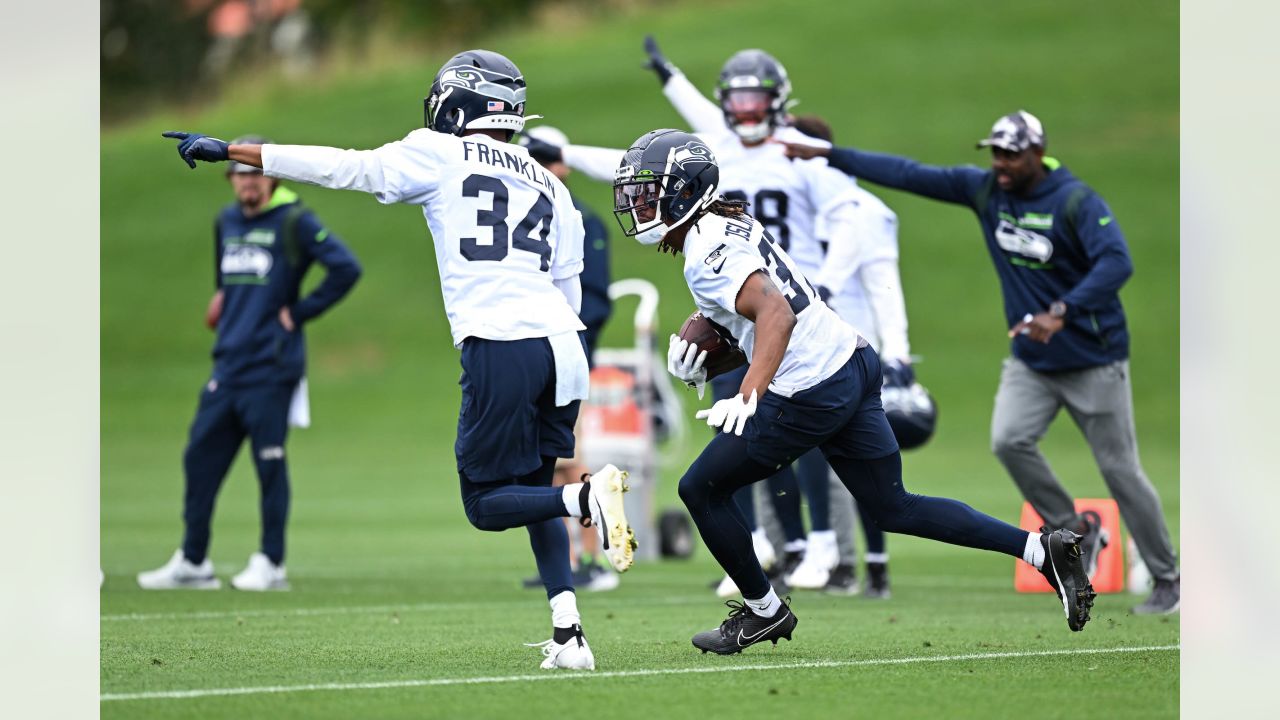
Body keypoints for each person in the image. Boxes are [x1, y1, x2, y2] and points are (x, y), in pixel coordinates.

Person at [161, 49, 638, 670]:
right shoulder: (550, 182)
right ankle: (570, 633)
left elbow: (344, 168)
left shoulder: (441, 152)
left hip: (501, 340)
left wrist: (237, 151)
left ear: (460, 101)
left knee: (487, 504)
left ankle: (585, 501)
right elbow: (569, 285)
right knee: (532, 490)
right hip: (563, 347)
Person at [612, 128, 1095, 654]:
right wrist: (715, 359)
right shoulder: (728, 221)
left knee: (700, 489)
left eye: (647, 189)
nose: (638, 203)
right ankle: (1040, 550)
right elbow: (762, 316)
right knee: (894, 507)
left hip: (810, 388)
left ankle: (764, 611)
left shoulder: (706, 248)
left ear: (684, 189)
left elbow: (774, 314)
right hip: (851, 361)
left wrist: (748, 392)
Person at [780, 110, 1180, 615]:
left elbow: (1116, 261)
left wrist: (1063, 311)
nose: (1001, 163)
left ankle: (1168, 576)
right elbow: (908, 173)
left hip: (1093, 359)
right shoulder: (989, 191)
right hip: (1032, 362)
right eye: (995, 153)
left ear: (1038, 153)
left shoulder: (1075, 201)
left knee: (1118, 469)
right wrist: (828, 154)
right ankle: (1075, 532)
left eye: (1011, 154)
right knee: (1008, 440)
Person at [641, 38, 904, 597]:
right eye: (735, 101)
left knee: (738, 455)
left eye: (755, 99)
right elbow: (688, 138)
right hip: (787, 322)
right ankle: (775, 547)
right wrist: (668, 77)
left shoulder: (795, 155)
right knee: (887, 499)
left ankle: (809, 557)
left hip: (804, 325)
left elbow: (845, 219)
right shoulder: (721, 183)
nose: (745, 111)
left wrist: (749, 390)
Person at [137, 135, 363, 592]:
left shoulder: (295, 220)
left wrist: (297, 314)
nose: (247, 183)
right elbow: (227, 283)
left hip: (272, 366)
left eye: (254, 173)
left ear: (270, 176)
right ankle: (194, 560)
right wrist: (225, 304)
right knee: (200, 457)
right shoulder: (226, 220)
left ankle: (271, 562)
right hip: (228, 364)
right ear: (230, 180)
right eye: (239, 175)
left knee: (269, 464)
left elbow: (346, 268)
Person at [520, 125, 618, 593]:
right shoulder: (516, 216)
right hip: (529, 356)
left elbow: (595, 301)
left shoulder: (582, 219)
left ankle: (592, 559)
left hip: (566, 357)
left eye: (544, 158)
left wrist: (569, 347)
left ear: (564, 165)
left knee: (570, 460)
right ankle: (560, 564)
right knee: (542, 463)